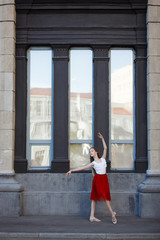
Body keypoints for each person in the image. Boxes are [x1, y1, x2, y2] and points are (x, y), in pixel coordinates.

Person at [66, 132, 117, 224]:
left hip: (104, 179)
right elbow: (82, 168)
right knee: (97, 198)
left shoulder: (103, 159)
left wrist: (102, 139)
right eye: (90, 152)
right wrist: (71, 171)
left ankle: (98, 215)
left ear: (96, 152)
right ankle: (108, 214)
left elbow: (105, 148)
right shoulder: (92, 164)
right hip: (97, 180)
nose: (91, 153)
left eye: (92, 151)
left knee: (104, 198)